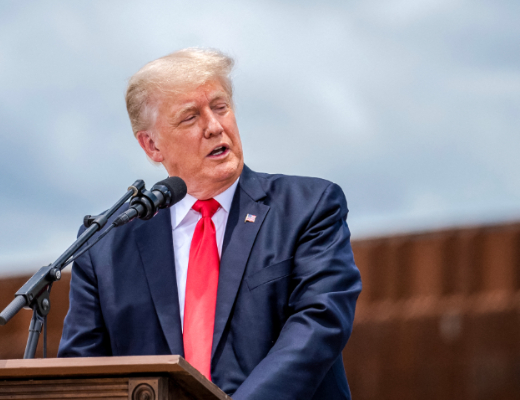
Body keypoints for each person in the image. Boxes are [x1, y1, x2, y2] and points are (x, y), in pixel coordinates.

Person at [58, 48, 362, 400]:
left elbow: (320, 323)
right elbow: (84, 373)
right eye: (190, 117)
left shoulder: (308, 206)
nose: (215, 127)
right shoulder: (106, 245)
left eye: (220, 107)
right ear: (152, 145)